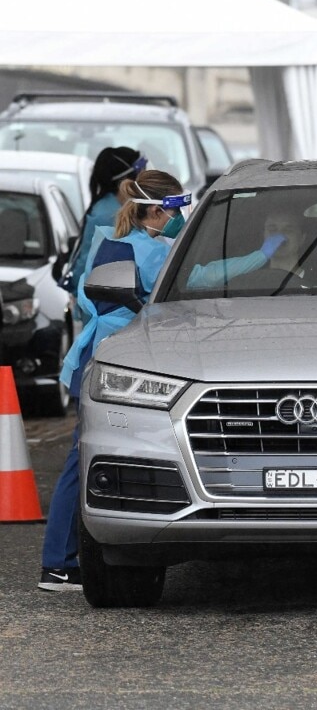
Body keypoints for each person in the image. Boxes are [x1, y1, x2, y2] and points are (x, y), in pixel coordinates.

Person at [38, 169, 186, 592]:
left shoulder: (112, 240)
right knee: (81, 460)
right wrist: (265, 254)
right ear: (158, 209)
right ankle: (59, 563)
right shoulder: (149, 251)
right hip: (106, 361)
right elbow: (208, 275)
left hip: (94, 357)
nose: (183, 216)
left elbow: (86, 295)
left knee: (82, 457)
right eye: (177, 207)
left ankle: (64, 560)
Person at [60, 147, 146, 298]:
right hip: (105, 307)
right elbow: (87, 264)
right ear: (126, 182)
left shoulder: (120, 208)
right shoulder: (109, 215)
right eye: (141, 175)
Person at [184, 209, 298, 289]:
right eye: (272, 229)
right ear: (263, 235)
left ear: (303, 238)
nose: (279, 235)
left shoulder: (315, 278)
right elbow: (206, 278)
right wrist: (261, 255)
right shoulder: (244, 281)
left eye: (288, 230)